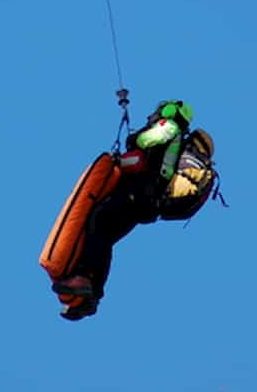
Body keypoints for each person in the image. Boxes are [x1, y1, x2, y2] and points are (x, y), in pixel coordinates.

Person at [51, 99, 216, 321]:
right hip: (147, 204)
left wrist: (134, 139)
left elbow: (147, 139)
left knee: (99, 221)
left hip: (139, 194)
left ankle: (83, 279)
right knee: (104, 236)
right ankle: (90, 297)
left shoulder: (170, 127)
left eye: (156, 111)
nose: (152, 115)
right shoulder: (176, 141)